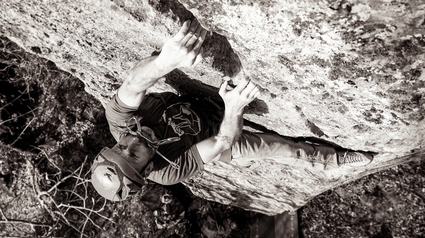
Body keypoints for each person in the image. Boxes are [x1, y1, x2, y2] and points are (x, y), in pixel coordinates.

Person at [90, 19, 373, 201]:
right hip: (216, 133)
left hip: (190, 100)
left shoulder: (120, 122)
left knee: (151, 68)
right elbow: (222, 141)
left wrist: (166, 61)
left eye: (121, 148)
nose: (132, 145)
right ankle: (334, 160)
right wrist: (234, 107)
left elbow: (133, 83)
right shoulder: (168, 172)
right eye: (134, 156)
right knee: (280, 149)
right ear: (147, 168)